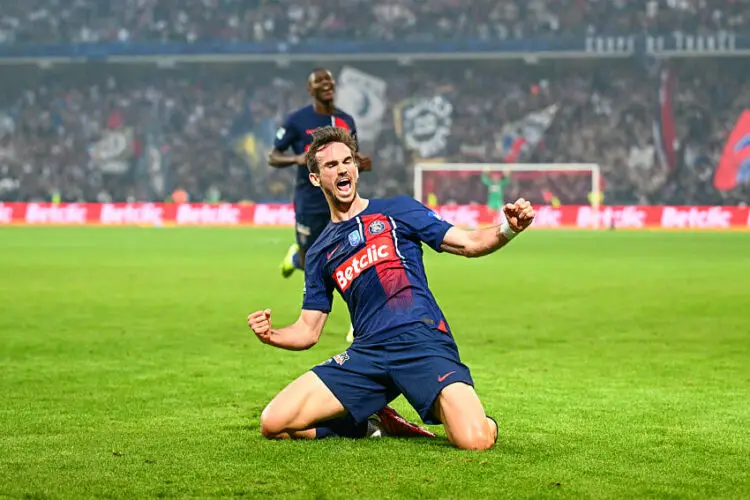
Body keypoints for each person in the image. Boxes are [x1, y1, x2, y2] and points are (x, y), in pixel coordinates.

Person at [248, 127, 535, 449]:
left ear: (356, 168)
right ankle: (368, 424)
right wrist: (270, 335)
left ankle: (478, 420)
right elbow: (307, 331)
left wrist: (510, 228)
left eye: (347, 161)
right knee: (274, 422)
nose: (342, 169)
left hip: (420, 340)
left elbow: (469, 242)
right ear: (315, 178)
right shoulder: (319, 252)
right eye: (331, 165)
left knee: (474, 440)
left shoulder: (398, 210)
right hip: (367, 353)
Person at [269, 68, 371, 342]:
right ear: (310, 89)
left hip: (342, 199)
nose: (327, 84)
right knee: (311, 259)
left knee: (353, 255)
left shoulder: (346, 120)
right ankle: (295, 258)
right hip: (309, 200)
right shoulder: (297, 120)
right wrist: (297, 160)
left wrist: (360, 162)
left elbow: (351, 156)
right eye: (320, 81)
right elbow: (273, 156)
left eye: (330, 80)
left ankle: (359, 322)